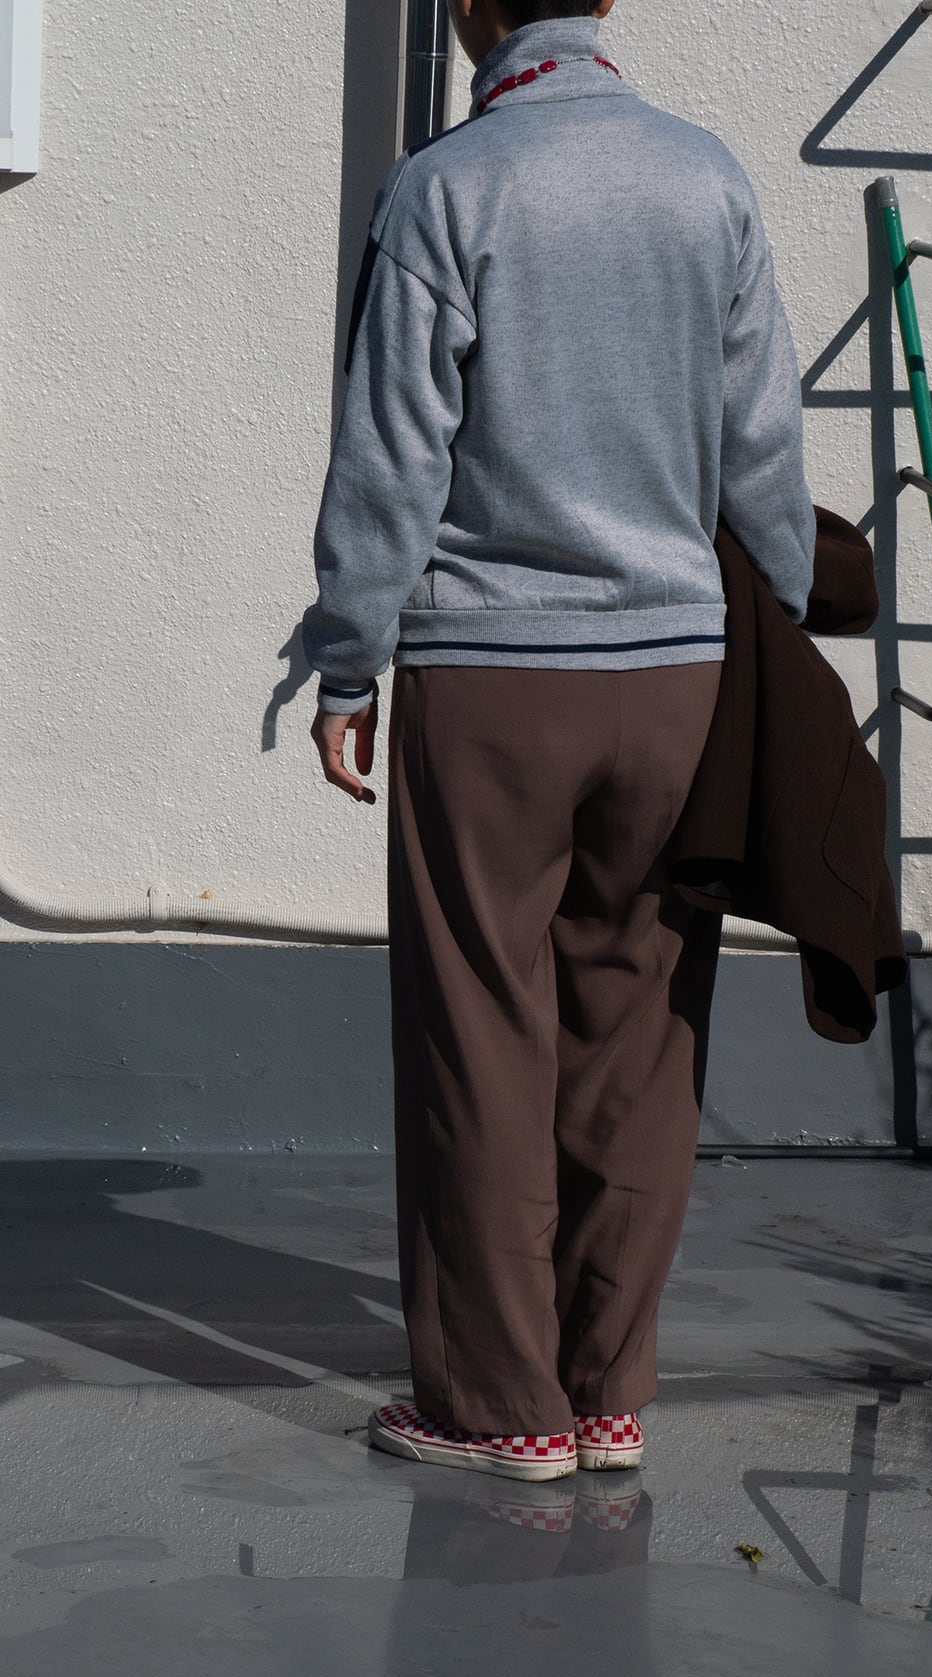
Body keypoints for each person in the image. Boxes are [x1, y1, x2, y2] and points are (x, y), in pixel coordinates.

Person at [303, 0, 815, 1482]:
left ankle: (495, 1407)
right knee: (643, 1031)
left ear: (472, 8)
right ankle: (605, 1394)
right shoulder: (707, 179)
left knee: (479, 1026)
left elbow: (393, 451)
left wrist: (348, 659)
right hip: (678, 672)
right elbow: (764, 441)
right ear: (607, 4)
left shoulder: (446, 186)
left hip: (490, 679)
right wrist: (779, 622)